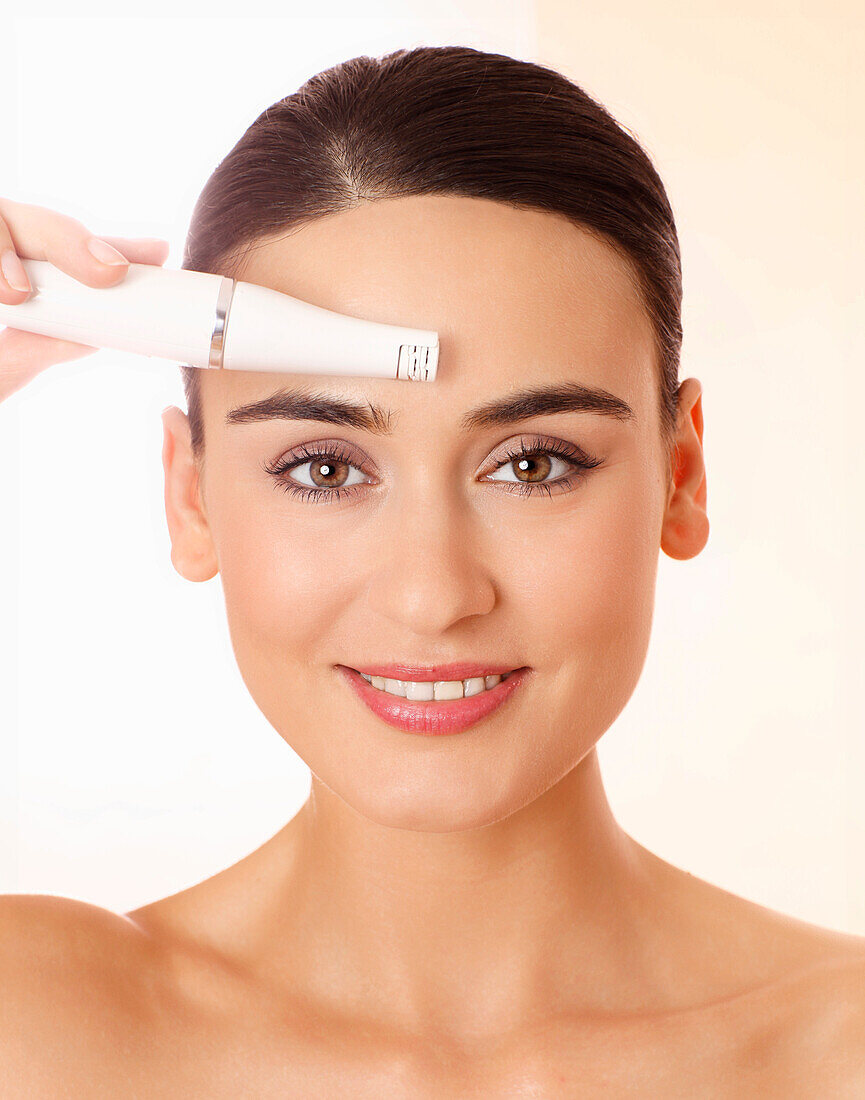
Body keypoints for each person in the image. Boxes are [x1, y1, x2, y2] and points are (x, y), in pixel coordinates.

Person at [1, 44, 863, 1097]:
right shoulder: (37, 1027)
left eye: (534, 463)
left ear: (680, 475)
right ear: (192, 495)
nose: (434, 594)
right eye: (323, 467)